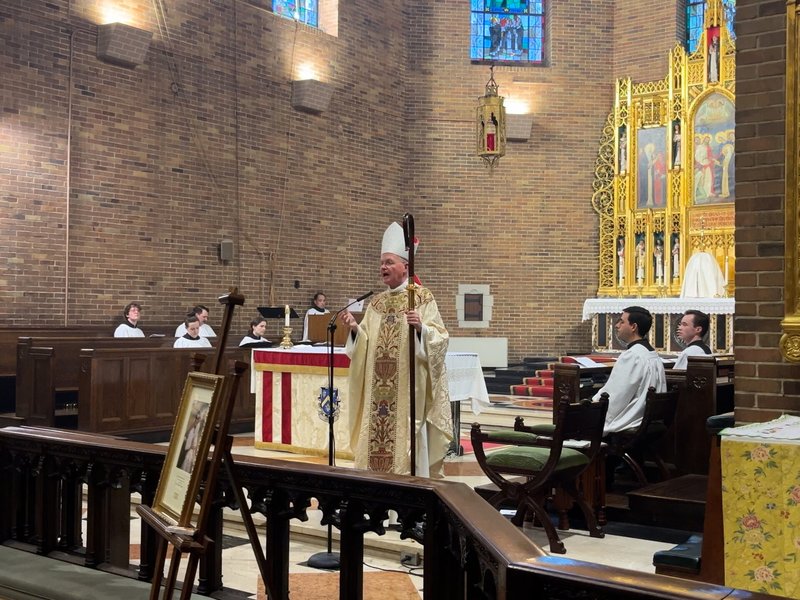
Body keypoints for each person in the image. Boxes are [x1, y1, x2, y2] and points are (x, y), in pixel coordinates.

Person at [341, 222, 452, 478]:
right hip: (377, 396)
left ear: (406, 266)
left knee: (407, 441)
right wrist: (356, 330)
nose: (383, 267)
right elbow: (365, 345)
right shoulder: (376, 303)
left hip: (407, 396)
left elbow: (440, 339)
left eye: (389, 262)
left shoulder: (422, 298)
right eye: (382, 263)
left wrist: (421, 329)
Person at [594, 306, 667, 435]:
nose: (617, 325)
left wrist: (594, 403)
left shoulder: (633, 355)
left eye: (622, 322)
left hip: (630, 421)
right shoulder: (652, 354)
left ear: (633, 327)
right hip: (649, 420)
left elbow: (616, 396)